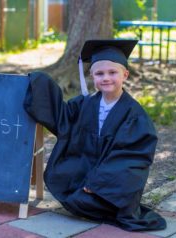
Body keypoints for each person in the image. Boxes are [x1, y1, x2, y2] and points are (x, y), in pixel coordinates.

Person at [23, 39, 166, 231]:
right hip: (84, 174)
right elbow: (62, 119)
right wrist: (40, 84)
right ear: (91, 76)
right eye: (99, 73)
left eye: (112, 72)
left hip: (110, 185)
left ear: (125, 75)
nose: (106, 78)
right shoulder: (84, 104)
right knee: (74, 198)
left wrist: (97, 183)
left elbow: (132, 156)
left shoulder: (135, 115)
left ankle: (98, 198)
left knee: (86, 201)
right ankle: (87, 196)